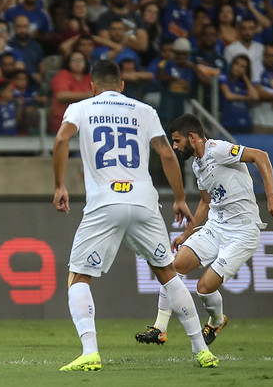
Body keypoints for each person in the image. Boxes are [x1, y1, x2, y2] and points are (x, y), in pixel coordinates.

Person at [52, 59, 218, 371]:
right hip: (144, 201)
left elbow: (61, 139)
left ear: (92, 85)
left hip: (105, 201)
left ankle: (90, 352)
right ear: (122, 85)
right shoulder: (144, 110)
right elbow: (167, 153)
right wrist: (180, 199)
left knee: (78, 276)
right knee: (168, 274)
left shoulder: (80, 107)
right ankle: (201, 350)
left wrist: (60, 185)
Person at [135, 113, 273, 347]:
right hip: (216, 226)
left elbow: (260, 155)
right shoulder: (197, 164)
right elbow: (206, 202)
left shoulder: (219, 149)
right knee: (174, 267)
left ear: (192, 137)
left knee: (204, 288)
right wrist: (187, 233)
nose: (174, 146)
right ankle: (160, 329)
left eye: (177, 141)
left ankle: (216, 321)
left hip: (243, 232)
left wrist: (271, 195)